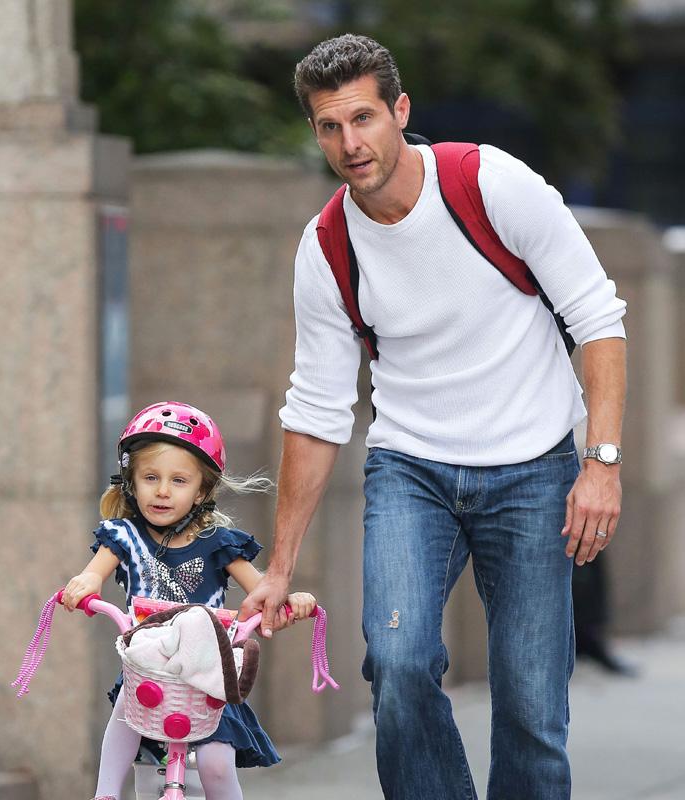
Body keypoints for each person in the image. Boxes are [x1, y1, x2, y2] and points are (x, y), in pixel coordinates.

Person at [239, 33, 626, 800]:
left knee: (530, 707)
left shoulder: (491, 185)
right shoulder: (325, 248)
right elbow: (316, 411)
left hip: (534, 468)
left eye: (362, 119)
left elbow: (598, 321)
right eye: (328, 127)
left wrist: (601, 465)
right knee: (398, 664)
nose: (349, 144)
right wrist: (279, 565)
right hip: (411, 470)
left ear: (400, 111)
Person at [62, 401, 316, 800]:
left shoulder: (219, 544)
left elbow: (265, 593)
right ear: (131, 481)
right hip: (150, 666)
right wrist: (83, 583)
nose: (162, 491)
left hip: (209, 674)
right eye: (150, 477)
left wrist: (290, 602)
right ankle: (105, 794)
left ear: (201, 492)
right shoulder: (124, 536)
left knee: (216, 764)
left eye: (178, 480)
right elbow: (93, 573)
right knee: (126, 717)